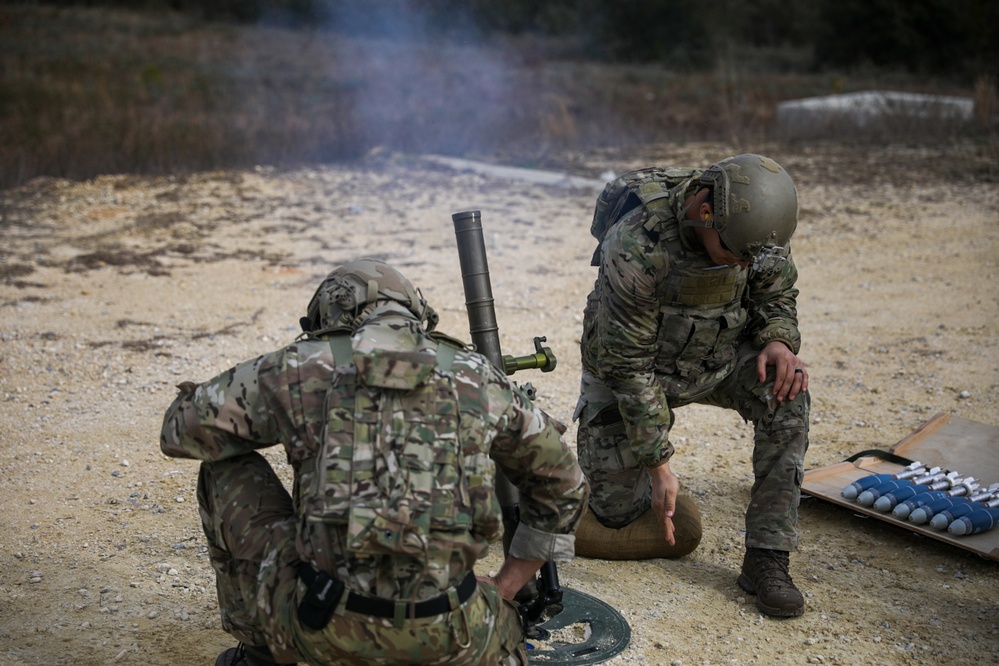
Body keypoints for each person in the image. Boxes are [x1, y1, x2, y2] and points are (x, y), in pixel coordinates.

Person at [161, 259, 589, 665]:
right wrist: (506, 585)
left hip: (320, 627)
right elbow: (566, 486)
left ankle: (259, 653)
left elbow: (180, 431)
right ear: (416, 313)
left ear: (329, 317)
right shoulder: (478, 375)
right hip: (457, 638)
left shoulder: (299, 367)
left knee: (223, 465)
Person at [573, 154, 810, 617]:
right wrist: (659, 463)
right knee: (618, 516)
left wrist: (778, 341)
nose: (743, 264)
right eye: (733, 255)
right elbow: (629, 367)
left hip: (716, 359)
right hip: (636, 375)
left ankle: (767, 557)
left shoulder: (753, 231)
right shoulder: (637, 242)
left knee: (788, 394)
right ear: (704, 214)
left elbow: (776, 293)